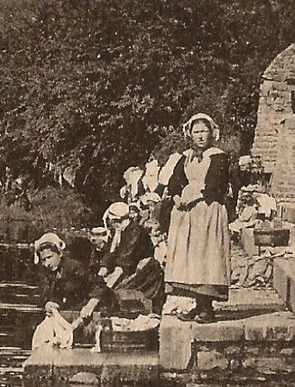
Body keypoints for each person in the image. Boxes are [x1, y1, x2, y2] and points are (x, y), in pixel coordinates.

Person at [163, 113, 234, 323]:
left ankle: (207, 308)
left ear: (212, 133)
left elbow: (215, 185)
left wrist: (191, 197)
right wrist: (176, 197)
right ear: (190, 135)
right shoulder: (186, 157)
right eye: (196, 132)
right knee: (192, 260)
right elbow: (174, 181)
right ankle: (197, 304)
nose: (200, 136)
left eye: (204, 131)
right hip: (188, 216)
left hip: (207, 211)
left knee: (207, 258)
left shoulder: (218, 156)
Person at [30, 232, 115, 349]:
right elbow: (45, 293)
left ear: (59, 253)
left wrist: (90, 305)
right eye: (43, 260)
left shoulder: (75, 267)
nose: (47, 263)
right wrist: (47, 304)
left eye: (50, 257)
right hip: (73, 311)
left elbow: (100, 285)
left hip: (95, 307)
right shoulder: (48, 273)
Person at [97, 201, 163, 309]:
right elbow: (111, 254)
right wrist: (101, 273)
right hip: (128, 270)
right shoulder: (119, 231)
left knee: (113, 294)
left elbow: (123, 262)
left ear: (116, 221)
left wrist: (105, 287)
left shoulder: (135, 232)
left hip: (145, 273)